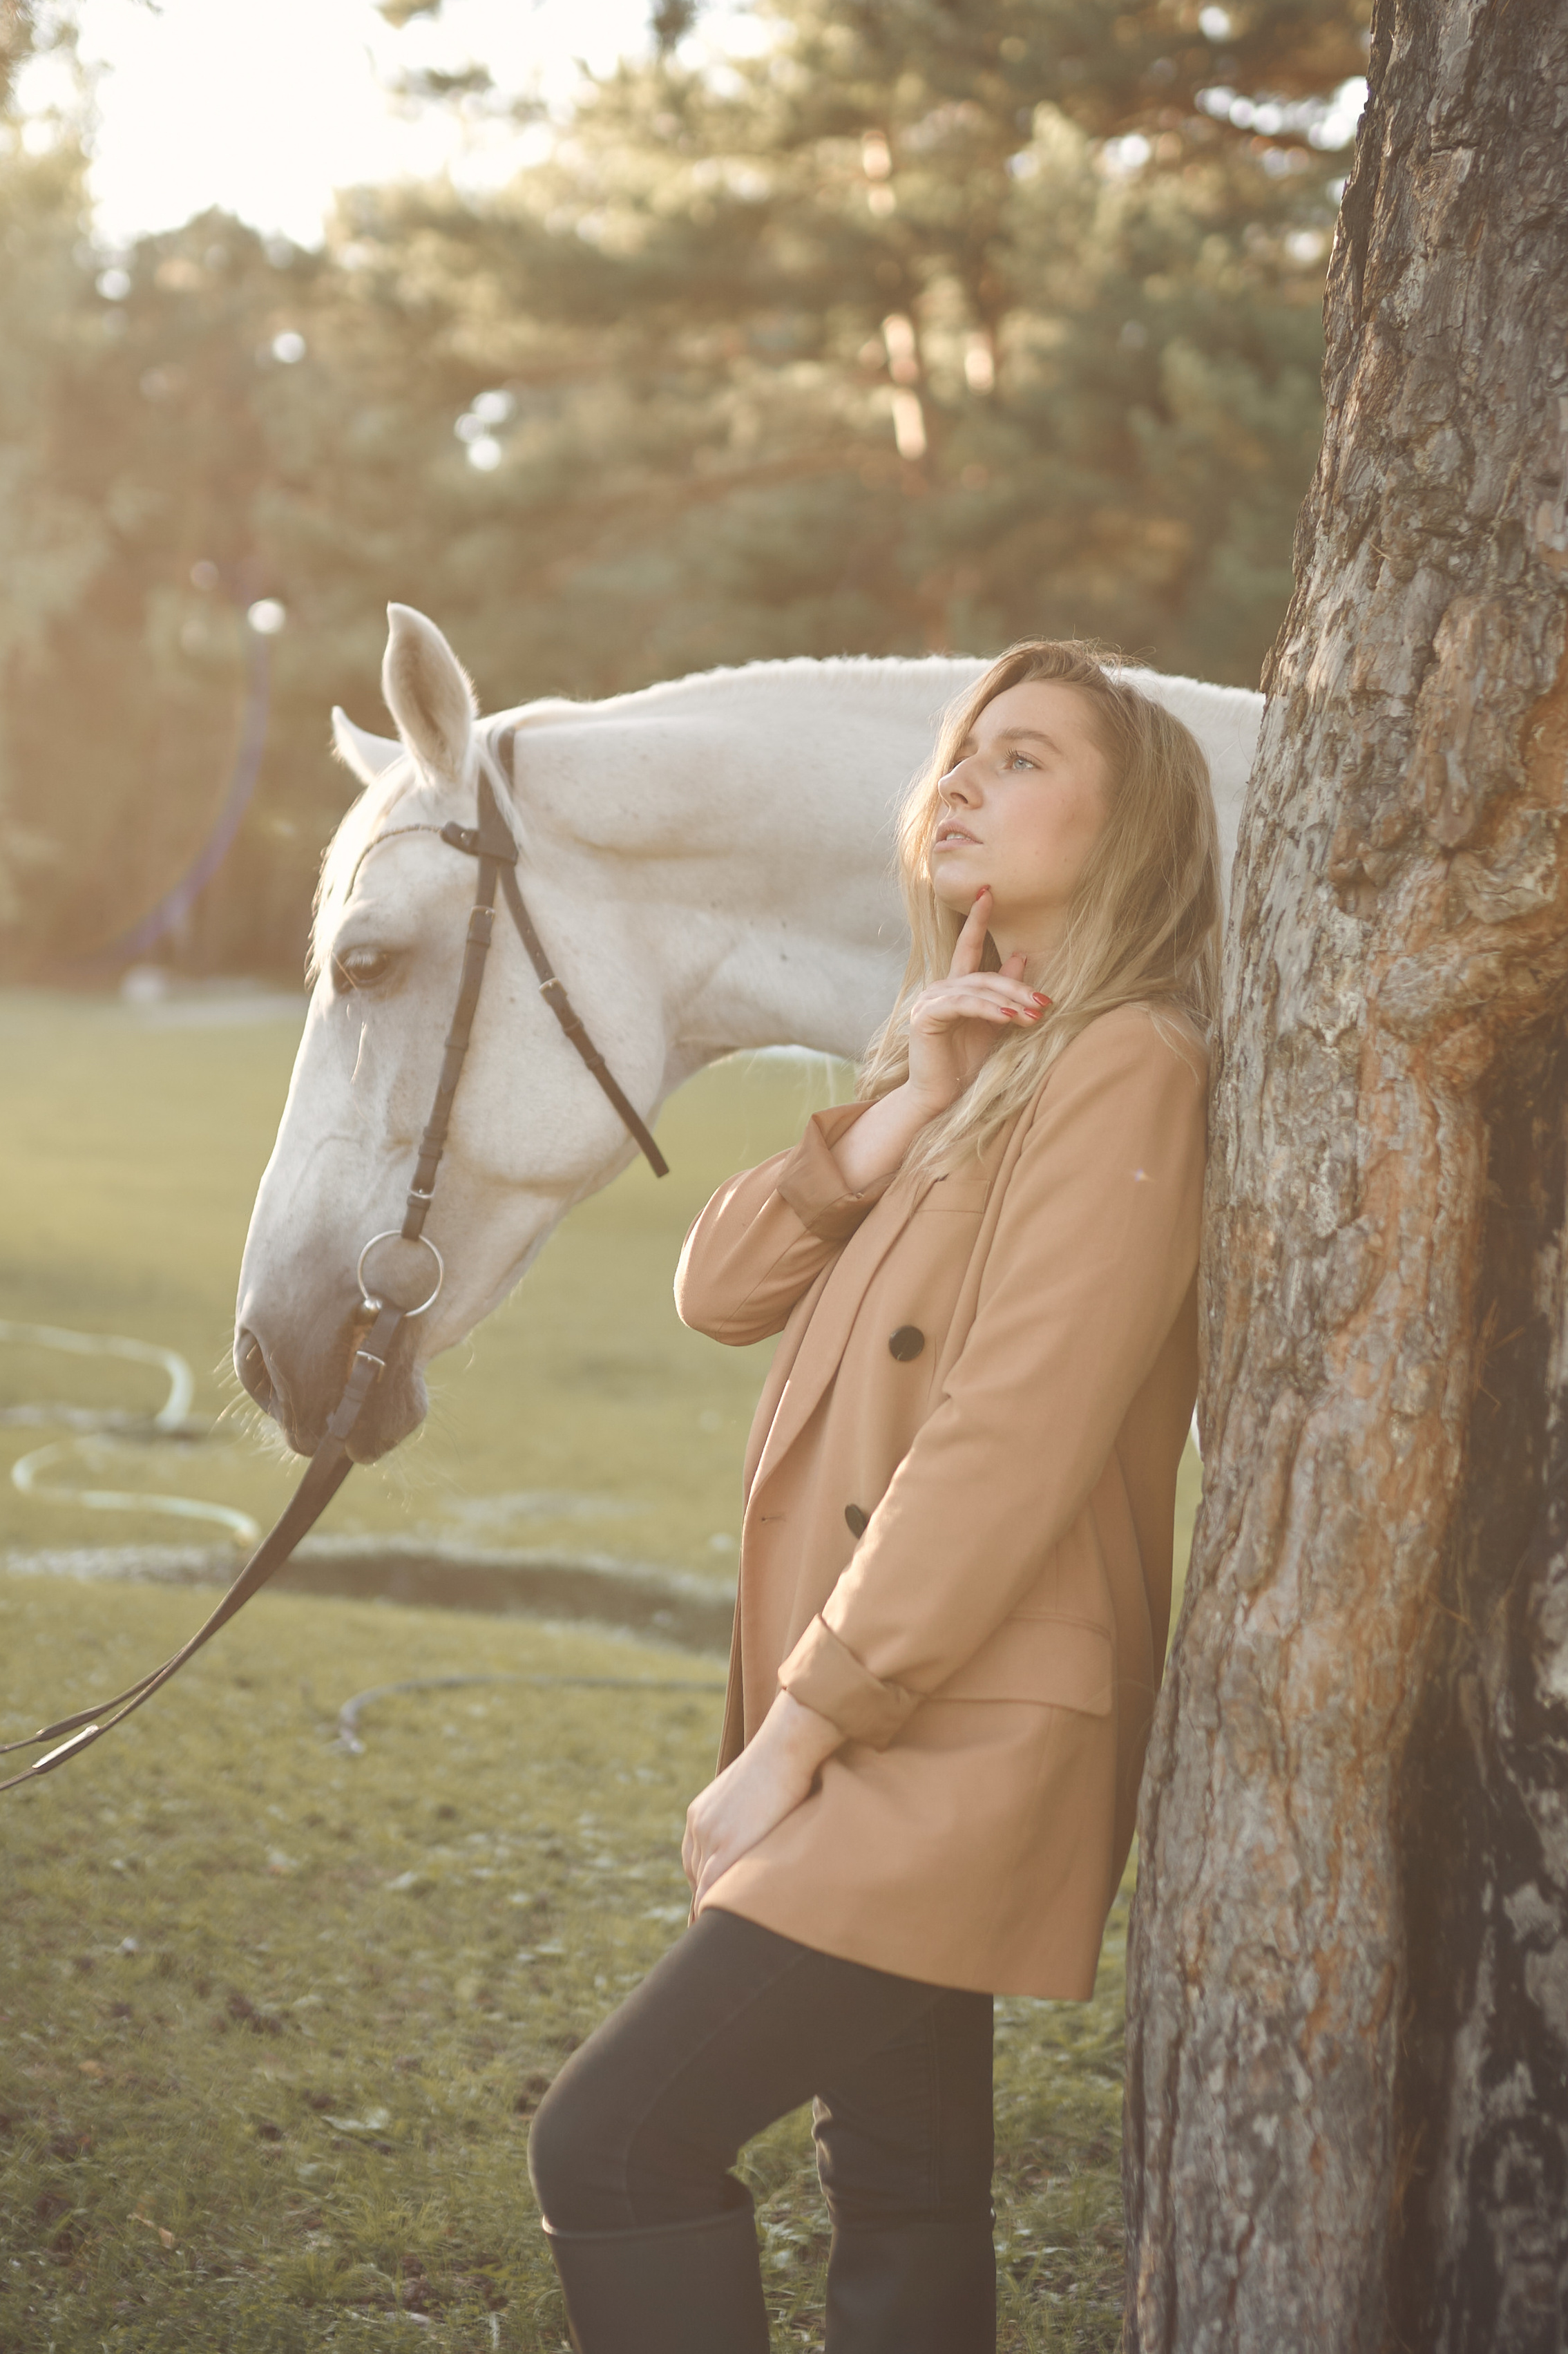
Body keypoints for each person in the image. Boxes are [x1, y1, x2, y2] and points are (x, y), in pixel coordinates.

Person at [528, 638, 1220, 2353]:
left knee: (615, 2139)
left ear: (1127, 829)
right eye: (960, 756)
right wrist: (902, 1104)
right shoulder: (983, 1074)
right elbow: (721, 1285)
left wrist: (800, 1730)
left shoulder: (1133, 1063)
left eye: (1024, 758)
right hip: (885, 1707)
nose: (963, 782)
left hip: (955, 1726)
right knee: (901, 2186)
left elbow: (1009, 1436)